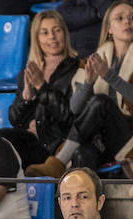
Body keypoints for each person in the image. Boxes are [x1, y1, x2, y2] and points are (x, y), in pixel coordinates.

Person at [50, 0, 133, 178]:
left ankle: (58, 162)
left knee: (101, 102)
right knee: (81, 155)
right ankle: (89, 202)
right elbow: (74, 108)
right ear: (109, 28)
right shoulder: (93, 60)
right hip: (98, 138)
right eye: (120, 18)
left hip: (130, 137)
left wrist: (108, 75)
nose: (127, 22)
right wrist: (88, 83)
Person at [11, 10, 82, 177]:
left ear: (65, 33)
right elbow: (16, 120)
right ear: (36, 38)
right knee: (2, 139)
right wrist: (27, 95)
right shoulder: (28, 71)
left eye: (57, 30)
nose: (52, 37)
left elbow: (70, 117)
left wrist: (41, 86)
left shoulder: (78, 68)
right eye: (44, 32)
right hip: (32, 141)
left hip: (57, 144)